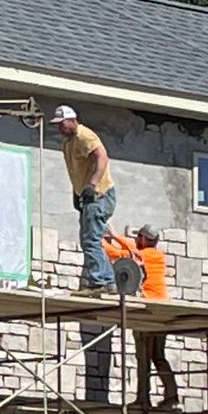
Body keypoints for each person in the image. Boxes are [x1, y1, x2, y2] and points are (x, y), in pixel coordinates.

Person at [102, 224, 178, 408]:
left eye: (138, 237)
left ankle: (143, 399)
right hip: (162, 312)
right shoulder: (158, 256)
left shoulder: (143, 256)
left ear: (144, 239)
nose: (135, 240)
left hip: (147, 311)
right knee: (158, 356)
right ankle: (172, 396)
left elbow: (116, 254)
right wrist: (115, 235)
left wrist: (99, 241)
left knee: (143, 357)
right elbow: (131, 247)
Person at [50, 104, 116, 291]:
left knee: (91, 239)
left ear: (72, 120)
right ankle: (106, 280)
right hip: (88, 196)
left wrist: (92, 185)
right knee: (89, 239)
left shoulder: (84, 136)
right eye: (58, 124)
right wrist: (77, 193)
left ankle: (100, 281)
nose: (60, 128)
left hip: (100, 194)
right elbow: (76, 171)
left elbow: (102, 157)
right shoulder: (68, 143)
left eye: (62, 123)